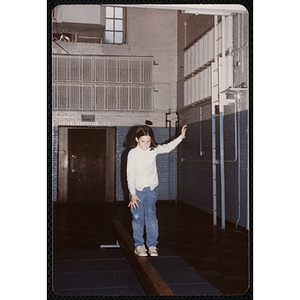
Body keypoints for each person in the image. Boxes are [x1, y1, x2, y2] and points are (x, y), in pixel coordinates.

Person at [127, 124, 187, 257]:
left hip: (151, 189)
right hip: (137, 190)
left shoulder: (153, 149)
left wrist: (181, 137)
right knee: (138, 218)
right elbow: (130, 174)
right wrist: (132, 194)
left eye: (148, 141)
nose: (146, 144)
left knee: (151, 217)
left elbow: (167, 148)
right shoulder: (133, 153)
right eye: (143, 141)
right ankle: (139, 245)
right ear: (137, 139)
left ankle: (152, 245)